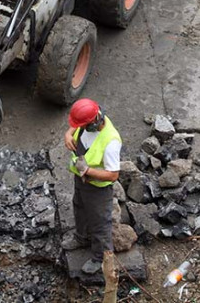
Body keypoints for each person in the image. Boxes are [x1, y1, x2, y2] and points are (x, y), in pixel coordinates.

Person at [61, 98, 122, 275]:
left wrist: (88, 171)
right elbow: (76, 124)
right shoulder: (90, 118)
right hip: (80, 179)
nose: (79, 127)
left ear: (94, 121)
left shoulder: (110, 141)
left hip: (98, 188)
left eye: (82, 124)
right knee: (79, 207)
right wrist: (68, 133)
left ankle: (99, 258)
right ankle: (82, 238)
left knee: (99, 223)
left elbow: (113, 175)